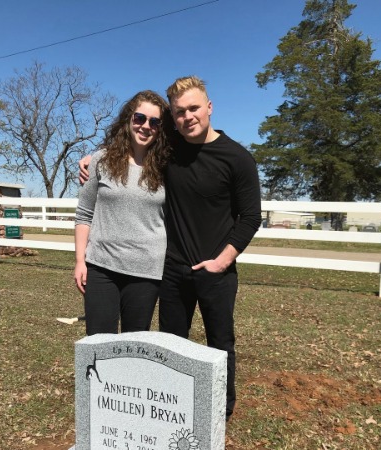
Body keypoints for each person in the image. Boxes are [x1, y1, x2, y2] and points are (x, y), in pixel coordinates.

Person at [79, 76, 262, 420]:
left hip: (216, 272)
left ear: (209, 108)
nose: (187, 117)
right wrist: (91, 160)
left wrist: (222, 262)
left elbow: (251, 216)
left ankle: (220, 411)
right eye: (179, 112)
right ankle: (172, 405)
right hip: (171, 270)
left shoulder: (237, 158)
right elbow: (131, 152)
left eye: (193, 108)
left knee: (220, 343)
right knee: (171, 345)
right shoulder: (170, 151)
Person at [74, 90, 172, 336]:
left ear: (161, 128)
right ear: (129, 119)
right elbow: (84, 214)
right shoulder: (101, 160)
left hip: (146, 272)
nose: (145, 126)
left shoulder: (167, 168)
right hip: (101, 267)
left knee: (133, 351)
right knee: (97, 344)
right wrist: (79, 261)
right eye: (139, 118)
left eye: (154, 122)